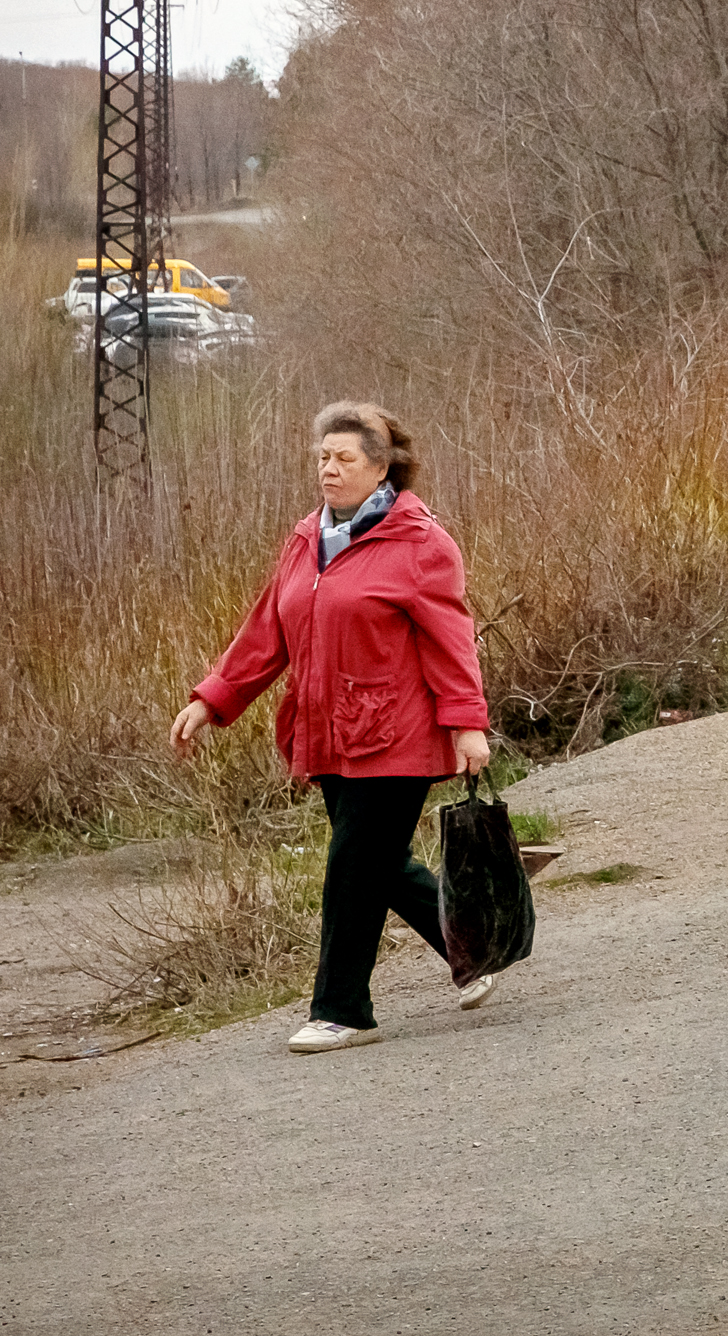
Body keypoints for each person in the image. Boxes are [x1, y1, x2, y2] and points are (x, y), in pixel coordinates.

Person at [169, 402, 499, 1054]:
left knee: (351, 870)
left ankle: (342, 1011)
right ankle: (476, 943)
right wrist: (213, 698)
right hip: (329, 733)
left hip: (399, 732)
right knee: (379, 864)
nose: (329, 468)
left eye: (345, 458)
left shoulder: (419, 543)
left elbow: (450, 640)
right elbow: (268, 631)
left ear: (382, 467)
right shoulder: (306, 539)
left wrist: (466, 724)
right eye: (323, 456)